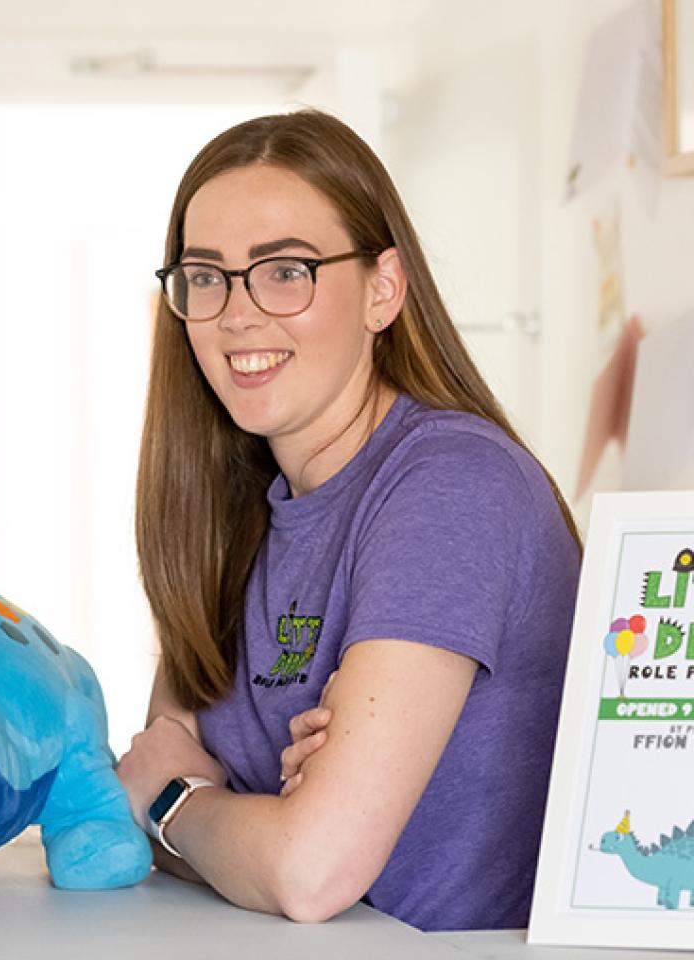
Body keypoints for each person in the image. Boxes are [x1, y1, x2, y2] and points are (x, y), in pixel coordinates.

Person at [115, 108, 582, 932]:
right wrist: (216, 809)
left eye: (285, 270)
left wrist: (191, 800)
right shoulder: (233, 510)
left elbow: (305, 868)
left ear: (382, 289)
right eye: (205, 275)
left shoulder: (451, 485)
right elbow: (140, 797)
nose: (236, 313)